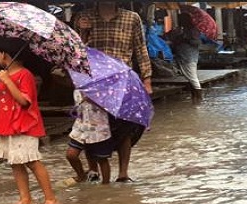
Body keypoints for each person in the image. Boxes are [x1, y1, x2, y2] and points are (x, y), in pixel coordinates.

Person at [76, 2, 153, 183]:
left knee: (124, 127)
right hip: (93, 81)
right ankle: (94, 171)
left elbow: (140, 48)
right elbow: (77, 51)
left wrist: (147, 79)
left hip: (122, 81)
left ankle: (123, 173)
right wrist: (84, 31)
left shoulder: (132, 18)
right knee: (91, 126)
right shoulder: (83, 17)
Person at [0, 39, 58, 204]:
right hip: (8, 126)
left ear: (4, 55)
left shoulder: (25, 75)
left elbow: (25, 102)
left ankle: (50, 198)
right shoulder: (2, 75)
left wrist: (8, 81)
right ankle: (25, 198)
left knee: (32, 161)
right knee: (15, 162)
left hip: (24, 126)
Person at [64, 90, 113, 185]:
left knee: (101, 159)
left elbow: (110, 107)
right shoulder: (77, 90)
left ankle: (106, 185)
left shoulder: (102, 89)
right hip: (80, 128)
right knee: (71, 155)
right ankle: (81, 176)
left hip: (99, 129)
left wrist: (93, 100)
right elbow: (79, 108)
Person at [165, 12, 203, 104]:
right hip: (181, 56)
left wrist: (186, 38)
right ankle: (194, 98)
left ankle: (199, 99)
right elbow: (174, 40)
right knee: (189, 78)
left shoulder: (193, 30)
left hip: (190, 57)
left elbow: (197, 43)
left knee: (193, 78)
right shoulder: (180, 30)